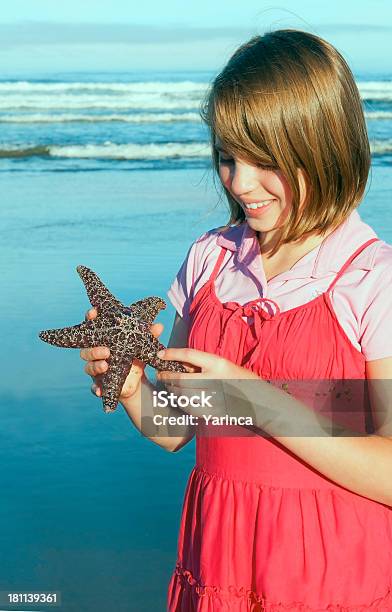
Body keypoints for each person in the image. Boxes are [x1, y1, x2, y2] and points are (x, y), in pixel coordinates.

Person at [80, 29, 392, 610]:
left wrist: (256, 400)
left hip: (327, 576)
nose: (240, 183)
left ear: (325, 145)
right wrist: (128, 388)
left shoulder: (371, 278)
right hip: (219, 562)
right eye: (227, 157)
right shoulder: (210, 260)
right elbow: (175, 428)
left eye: (265, 161)